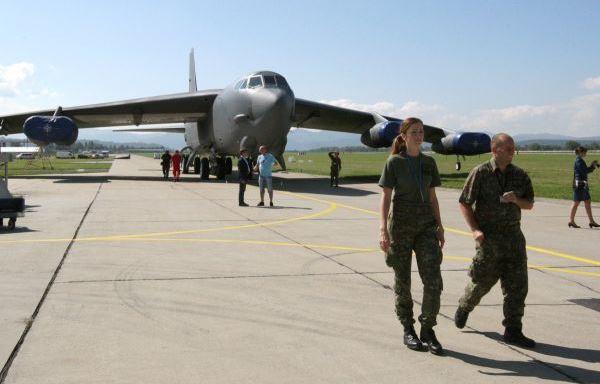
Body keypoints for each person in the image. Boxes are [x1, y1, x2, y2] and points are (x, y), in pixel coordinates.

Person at [454, 133, 536, 348]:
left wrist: (516, 200)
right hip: (489, 240)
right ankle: (464, 306)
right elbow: (464, 203)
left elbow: (529, 204)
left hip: (514, 239)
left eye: (513, 148)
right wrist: (475, 230)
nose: (512, 152)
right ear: (495, 150)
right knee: (481, 283)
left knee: (517, 287)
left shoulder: (519, 175)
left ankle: (513, 330)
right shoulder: (480, 173)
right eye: (507, 148)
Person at [379, 117, 445, 355]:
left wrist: (440, 226)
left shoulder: (429, 163)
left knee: (433, 281)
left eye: (421, 132)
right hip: (401, 226)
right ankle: (408, 327)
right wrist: (382, 230)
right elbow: (386, 197)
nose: (419, 135)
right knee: (403, 280)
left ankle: (428, 328)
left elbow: (433, 198)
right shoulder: (394, 162)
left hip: (426, 226)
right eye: (414, 132)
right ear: (404, 136)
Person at [568, 146, 599, 228]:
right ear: (580, 152)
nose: (586, 154)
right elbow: (585, 171)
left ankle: (591, 221)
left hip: (582, 184)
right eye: (585, 152)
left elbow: (585, 170)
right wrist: (593, 166)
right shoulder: (579, 161)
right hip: (579, 185)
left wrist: (592, 166)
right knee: (576, 203)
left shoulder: (580, 160)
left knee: (587, 201)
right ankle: (571, 221)